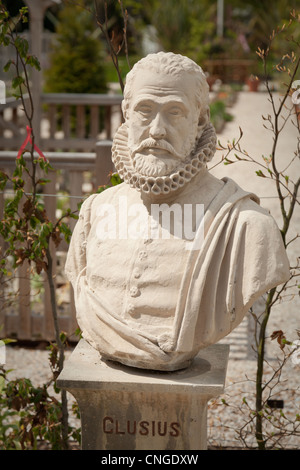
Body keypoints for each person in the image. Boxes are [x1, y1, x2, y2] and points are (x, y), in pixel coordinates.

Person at [65, 52, 290, 371]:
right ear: (126, 114)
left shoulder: (247, 227)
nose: (157, 130)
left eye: (174, 112)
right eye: (145, 110)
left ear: (200, 122)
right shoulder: (94, 212)